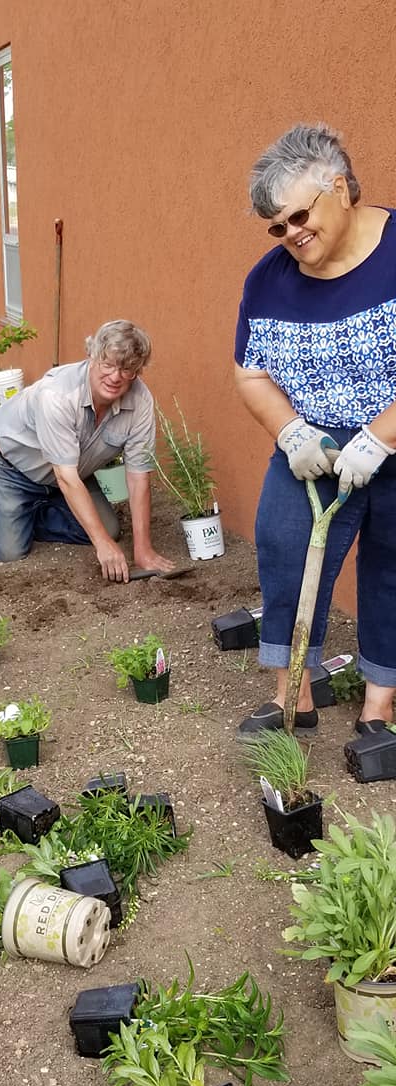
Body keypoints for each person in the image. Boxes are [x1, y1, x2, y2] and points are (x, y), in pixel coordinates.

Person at [234, 122, 396, 739]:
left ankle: (378, 707)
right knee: (283, 548)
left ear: (342, 187)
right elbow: (251, 377)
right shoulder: (268, 281)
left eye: (300, 215)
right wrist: (292, 433)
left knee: (391, 567)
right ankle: (292, 695)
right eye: (278, 227)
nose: (292, 235)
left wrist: (382, 435)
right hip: (319, 448)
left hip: (391, 440)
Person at [0, 320, 175, 583]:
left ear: (138, 371)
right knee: (10, 551)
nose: (116, 377)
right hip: (11, 467)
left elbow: (138, 477)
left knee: (110, 530)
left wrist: (143, 550)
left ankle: (27, 513)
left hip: (71, 472)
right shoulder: (58, 395)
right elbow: (66, 478)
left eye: (127, 369)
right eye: (108, 364)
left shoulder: (140, 401)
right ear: (92, 356)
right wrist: (101, 545)